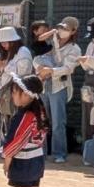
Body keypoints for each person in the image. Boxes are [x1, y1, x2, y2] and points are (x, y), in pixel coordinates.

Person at [1, 75, 49, 187]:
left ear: (27, 95)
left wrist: (7, 159)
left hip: (23, 161)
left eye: (15, 92)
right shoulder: (40, 111)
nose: (13, 95)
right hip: (37, 159)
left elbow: (17, 140)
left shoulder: (25, 115)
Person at [32, 17, 81, 163]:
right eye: (60, 27)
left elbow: (68, 68)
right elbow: (37, 56)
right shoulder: (50, 41)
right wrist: (40, 68)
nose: (62, 31)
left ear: (73, 31)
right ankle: (41, 151)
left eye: (66, 29)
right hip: (43, 85)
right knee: (43, 120)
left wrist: (51, 71)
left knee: (58, 122)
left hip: (59, 86)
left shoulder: (74, 49)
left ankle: (59, 153)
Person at [0, 26, 34, 152]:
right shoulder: (4, 53)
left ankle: (13, 147)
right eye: (1, 42)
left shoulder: (23, 52)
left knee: (15, 120)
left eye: (5, 42)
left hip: (18, 92)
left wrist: (4, 66)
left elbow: (23, 72)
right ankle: (3, 147)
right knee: (4, 121)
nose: (3, 45)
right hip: (3, 92)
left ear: (13, 41)